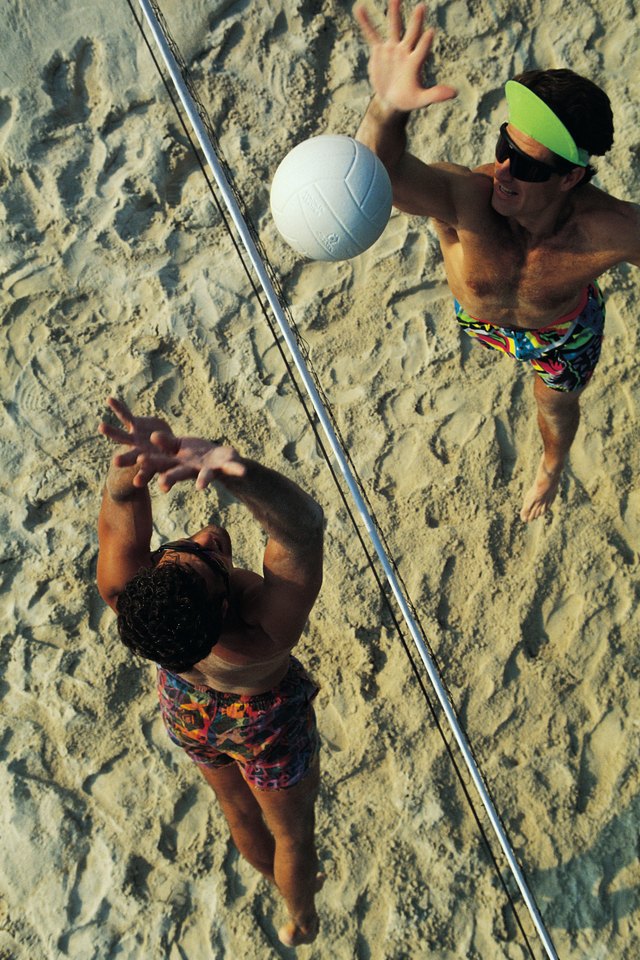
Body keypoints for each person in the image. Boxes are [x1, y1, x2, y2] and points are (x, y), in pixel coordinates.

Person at [354, 0, 640, 521]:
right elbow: (378, 177)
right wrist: (386, 107)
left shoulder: (609, 229)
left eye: (529, 167)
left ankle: (552, 467)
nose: (505, 170)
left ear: (571, 178)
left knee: (555, 406)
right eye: (505, 145)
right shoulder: (468, 197)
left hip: (561, 329)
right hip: (482, 321)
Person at [96, 397, 325, 947]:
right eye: (214, 562)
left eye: (187, 549)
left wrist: (141, 456)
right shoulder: (263, 631)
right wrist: (231, 470)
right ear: (226, 607)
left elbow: (120, 494)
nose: (207, 538)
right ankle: (300, 914)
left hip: (188, 708)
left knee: (234, 805)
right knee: (293, 833)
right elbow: (302, 529)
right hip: (264, 722)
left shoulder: (126, 592)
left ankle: (274, 881)